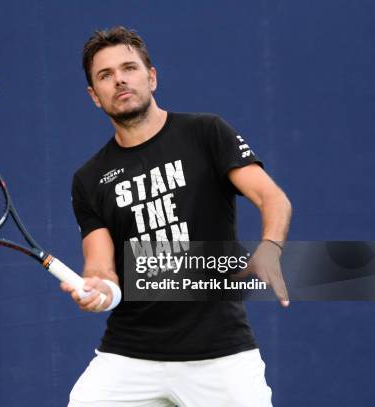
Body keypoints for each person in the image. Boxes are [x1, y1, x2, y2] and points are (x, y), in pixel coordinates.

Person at [60, 26, 292, 407]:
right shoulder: (89, 179)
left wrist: (270, 247)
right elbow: (101, 267)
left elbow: (273, 198)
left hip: (220, 352)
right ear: (94, 97)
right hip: (130, 354)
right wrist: (99, 291)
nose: (119, 79)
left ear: (151, 77)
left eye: (129, 68)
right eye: (105, 75)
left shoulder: (206, 133)